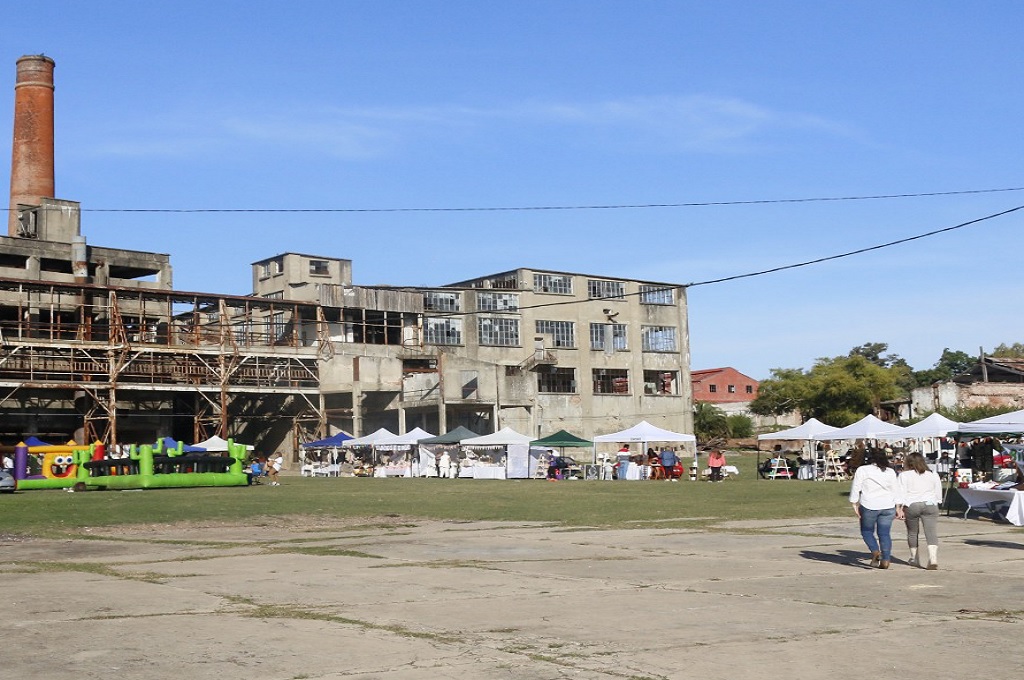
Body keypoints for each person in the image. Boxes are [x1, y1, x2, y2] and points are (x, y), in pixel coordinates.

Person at [849, 448, 902, 569]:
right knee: (884, 533)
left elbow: (856, 486)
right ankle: (886, 558)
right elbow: (896, 489)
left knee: (867, 531)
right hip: (888, 505)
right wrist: (898, 506)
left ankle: (875, 551)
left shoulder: (863, 470)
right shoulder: (890, 471)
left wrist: (854, 502)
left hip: (870, 504)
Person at [898, 451, 942, 570]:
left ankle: (914, 558)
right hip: (930, 504)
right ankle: (933, 558)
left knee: (912, 532)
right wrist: (937, 501)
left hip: (912, 504)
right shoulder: (933, 474)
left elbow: (901, 493)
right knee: (931, 532)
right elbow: (938, 491)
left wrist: (899, 507)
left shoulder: (904, 475)